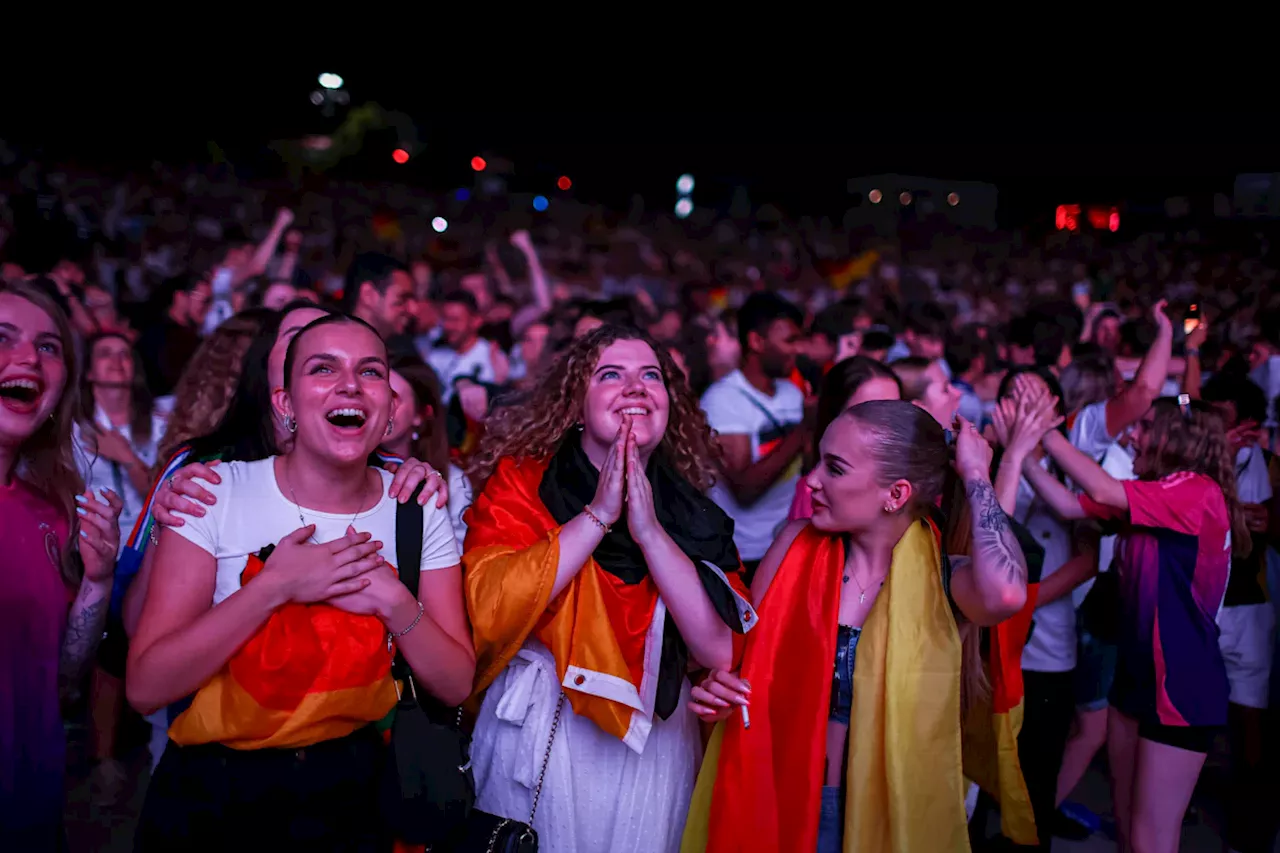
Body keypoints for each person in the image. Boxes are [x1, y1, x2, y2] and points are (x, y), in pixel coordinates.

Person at [127, 313, 475, 850]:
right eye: (323, 368)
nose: (350, 385)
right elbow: (147, 687)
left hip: (351, 793)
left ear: (389, 409)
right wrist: (272, 588)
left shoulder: (416, 508)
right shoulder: (213, 493)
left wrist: (394, 600)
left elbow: (455, 683)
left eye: (370, 372)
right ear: (285, 403)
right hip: (214, 793)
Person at [682, 401, 1033, 852]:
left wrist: (976, 474)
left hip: (894, 817)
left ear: (896, 494)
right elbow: (742, 668)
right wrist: (718, 691)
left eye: (836, 468)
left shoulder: (947, 579)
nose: (811, 481)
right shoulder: (792, 545)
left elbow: (1007, 593)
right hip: (784, 803)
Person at [463, 325, 756, 853]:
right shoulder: (522, 483)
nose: (636, 387)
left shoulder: (692, 514)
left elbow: (718, 649)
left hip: (654, 740)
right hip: (544, 725)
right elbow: (490, 610)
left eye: (651, 376)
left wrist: (647, 531)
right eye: (610, 375)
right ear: (576, 405)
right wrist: (599, 515)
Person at [1019, 396, 1248, 853]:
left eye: (1144, 427)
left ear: (1174, 437)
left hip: (1181, 682)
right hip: (1137, 673)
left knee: (1150, 839)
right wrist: (1019, 453)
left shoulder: (1197, 490)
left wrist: (1045, 431)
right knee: (1127, 826)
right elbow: (1067, 505)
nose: (1132, 435)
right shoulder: (1154, 491)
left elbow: (1102, 491)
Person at [0, 283, 123, 851]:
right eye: (4, 339)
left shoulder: (52, 510)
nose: (28, 358)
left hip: (32, 805)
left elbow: (62, 679)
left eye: (49, 347)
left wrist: (97, 581)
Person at [701, 293, 810, 579]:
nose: (797, 349)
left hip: (788, 543)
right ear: (756, 341)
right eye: (790, 340)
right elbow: (745, 488)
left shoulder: (792, 393)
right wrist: (803, 431)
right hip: (744, 553)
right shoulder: (723, 400)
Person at [787, 356, 902, 521]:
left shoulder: (910, 479)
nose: (888, 426)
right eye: (869, 415)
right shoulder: (815, 495)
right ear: (833, 420)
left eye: (895, 412)